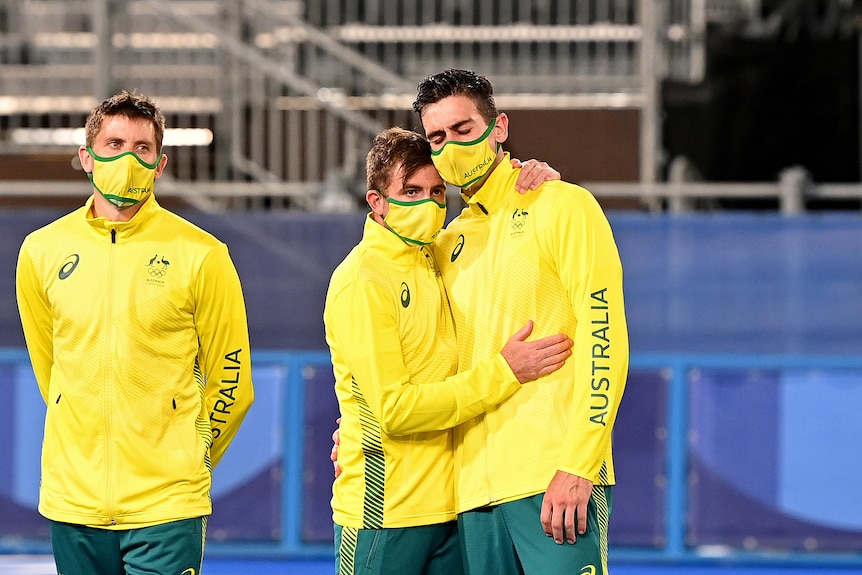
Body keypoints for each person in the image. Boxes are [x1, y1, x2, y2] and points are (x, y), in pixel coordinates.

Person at [15, 90, 254, 575]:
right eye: (114, 142)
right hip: (72, 504)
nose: (127, 157)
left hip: (167, 506)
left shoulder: (202, 254)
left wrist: (187, 459)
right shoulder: (40, 252)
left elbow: (232, 376)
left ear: (160, 163)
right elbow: (51, 369)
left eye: (142, 148)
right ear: (87, 156)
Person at [324, 126, 572, 575]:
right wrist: (504, 372)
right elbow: (395, 410)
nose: (427, 204)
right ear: (376, 201)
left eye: (437, 192)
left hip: (452, 510)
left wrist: (536, 179)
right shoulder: (360, 282)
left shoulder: (437, 257)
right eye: (411, 191)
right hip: (385, 512)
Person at [413, 69, 629, 575]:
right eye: (436, 138)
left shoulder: (563, 206)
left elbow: (606, 342)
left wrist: (579, 464)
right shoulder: (445, 243)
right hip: (469, 494)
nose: (450, 149)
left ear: (499, 127)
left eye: (463, 130)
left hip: (552, 480)